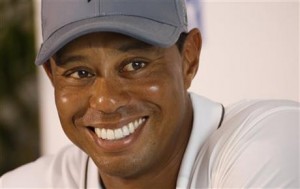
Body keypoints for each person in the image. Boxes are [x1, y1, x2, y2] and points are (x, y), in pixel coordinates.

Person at [0, 0, 299, 188]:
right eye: (81, 73)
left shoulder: (270, 142)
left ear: (189, 59)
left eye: (135, 64)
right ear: (52, 77)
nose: (106, 100)